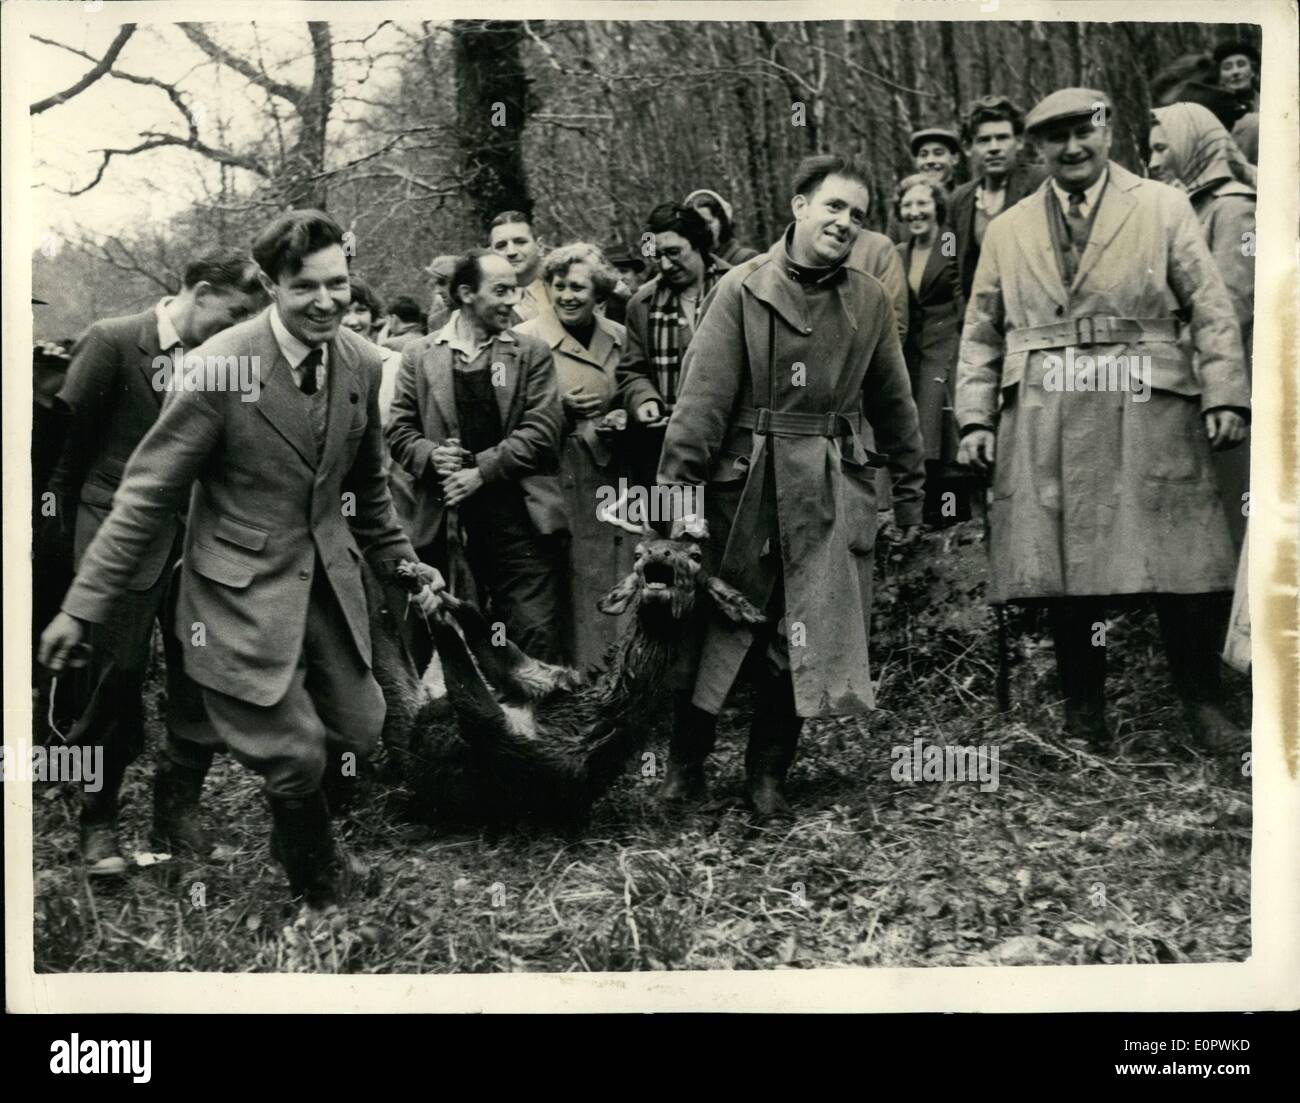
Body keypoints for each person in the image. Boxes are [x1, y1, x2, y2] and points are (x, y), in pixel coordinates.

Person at [40, 210, 444, 908]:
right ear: (270, 284)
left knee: (361, 727)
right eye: (304, 288)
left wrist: (407, 567)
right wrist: (82, 604)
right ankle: (320, 886)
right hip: (237, 586)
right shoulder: (216, 367)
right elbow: (143, 495)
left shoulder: (358, 361)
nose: (326, 301)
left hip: (324, 582)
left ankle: (292, 835)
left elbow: (369, 492)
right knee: (295, 752)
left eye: (338, 284)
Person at [954, 89, 1250, 751]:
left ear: (1107, 129)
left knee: (1177, 562)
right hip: (1046, 411)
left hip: (1149, 402)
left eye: (1083, 132)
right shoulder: (1008, 229)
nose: (1073, 148)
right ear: (1037, 148)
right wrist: (973, 419)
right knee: (1067, 573)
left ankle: (1203, 704)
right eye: (1055, 138)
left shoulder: (1163, 205)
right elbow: (978, 333)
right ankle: (1084, 716)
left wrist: (1225, 394)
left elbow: (1209, 307)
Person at [655, 153, 926, 817]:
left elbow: (894, 401)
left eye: (857, 215)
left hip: (826, 490)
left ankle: (768, 772)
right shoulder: (741, 289)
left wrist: (911, 487)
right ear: (799, 205)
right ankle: (685, 768)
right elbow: (699, 407)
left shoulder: (867, 298)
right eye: (833, 206)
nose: (844, 222)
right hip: (740, 489)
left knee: (799, 629)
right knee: (715, 630)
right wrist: (674, 504)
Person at [45, 253, 265, 876]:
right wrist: (57, 540)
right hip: (115, 528)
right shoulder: (114, 340)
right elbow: (66, 446)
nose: (243, 326)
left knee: (200, 672)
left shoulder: (231, 361)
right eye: (237, 311)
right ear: (199, 292)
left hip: (198, 539)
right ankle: (99, 817)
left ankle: (177, 815)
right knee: (117, 673)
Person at [387, 249, 568, 664]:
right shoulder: (420, 354)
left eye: (516, 290)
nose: (513, 300)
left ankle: (537, 727)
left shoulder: (531, 353)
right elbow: (398, 430)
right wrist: (431, 457)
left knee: (533, 634)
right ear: (467, 293)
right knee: (454, 639)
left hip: (519, 522)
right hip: (444, 523)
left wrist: (481, 471)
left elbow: (543, 430)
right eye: (501, 290)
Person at [515, 243, 634, 670]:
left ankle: (618, 675)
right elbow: (511, 416)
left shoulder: (619, 336)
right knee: (572, 581)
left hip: (614, 475)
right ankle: (577, 680)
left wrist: (625, 413)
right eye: (559, 286)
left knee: (616, 574)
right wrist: (559, 413)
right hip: (555, 479)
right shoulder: (526, 339)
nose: (567, 295)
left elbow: (633, 388)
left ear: (597, 292)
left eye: (578, 287)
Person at [1150, 101, 1256, 552]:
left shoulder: (1233, 210)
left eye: (1162, 148)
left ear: (1192, 145)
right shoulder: (1187, 208)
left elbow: (1233, 308)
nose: (1153, 161)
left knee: (1241, 507)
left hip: (1234, 386)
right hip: (1197, 379)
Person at [615, 203, 730, 487]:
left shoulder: (738, 288)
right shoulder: (642, 305)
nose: (665, 265)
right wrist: (644, 399)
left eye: (674, 253)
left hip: (732, 445)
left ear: (699, 244)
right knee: (679, 528)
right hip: (671, 450)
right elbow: (633, 371)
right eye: (658, 256)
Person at [894, 174, 969, 526]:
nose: (915, 212)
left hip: (948, 342)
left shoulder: (950, 242)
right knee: (919, 430)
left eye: (922, 203)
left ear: (937, 205)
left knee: (944, 428)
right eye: (907, 205)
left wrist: (963, 343)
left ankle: (955, 513)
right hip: (914, 351)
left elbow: (959, 289)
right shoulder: (900, 252)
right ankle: (929, 513)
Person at [947, 95, 1048, 301]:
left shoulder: (1042, 183)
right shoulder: (957, 200)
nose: (994, 147)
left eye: (1002, 138)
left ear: (1018, 142)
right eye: (984, 140)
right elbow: (949, 259)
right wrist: (962, 310)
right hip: (981, 316)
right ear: (968, 148)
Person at [488, 210, 549, 323]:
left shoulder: (559, 290)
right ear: (490, 253)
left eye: (520, 242)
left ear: (540, 247)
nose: (511, 252)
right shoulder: (484, 300)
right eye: (501, 246)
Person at [1213, 40, 1261, 164]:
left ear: (1253, 71)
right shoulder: (1213, 108)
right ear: (1220, 77)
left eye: (1241, 65)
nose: (1235, 72)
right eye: (1227, 67)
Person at [683, 188, 759, 266]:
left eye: (708, 222)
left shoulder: (747, 258)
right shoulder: (691, 264)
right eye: (697, 224)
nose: (703, 229)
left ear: (722, 222)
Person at [601, 242, 647, 325]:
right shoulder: (599, 304)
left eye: (623, 271)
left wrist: (628, 299)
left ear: (635, 274)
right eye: (613, 272)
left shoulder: (648, 299)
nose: (619, 277)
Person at [910, 126, 962, 190]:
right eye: (923, 155)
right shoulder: (906, 198)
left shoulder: (969, 196)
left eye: (938, 153)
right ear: (916, 161)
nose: (930, 161)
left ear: (955, 159)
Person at [424, 254, 458, 332]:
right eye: (436, 284)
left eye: (442, 283)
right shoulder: (436, 321)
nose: (438, 291)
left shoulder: (483, 317)